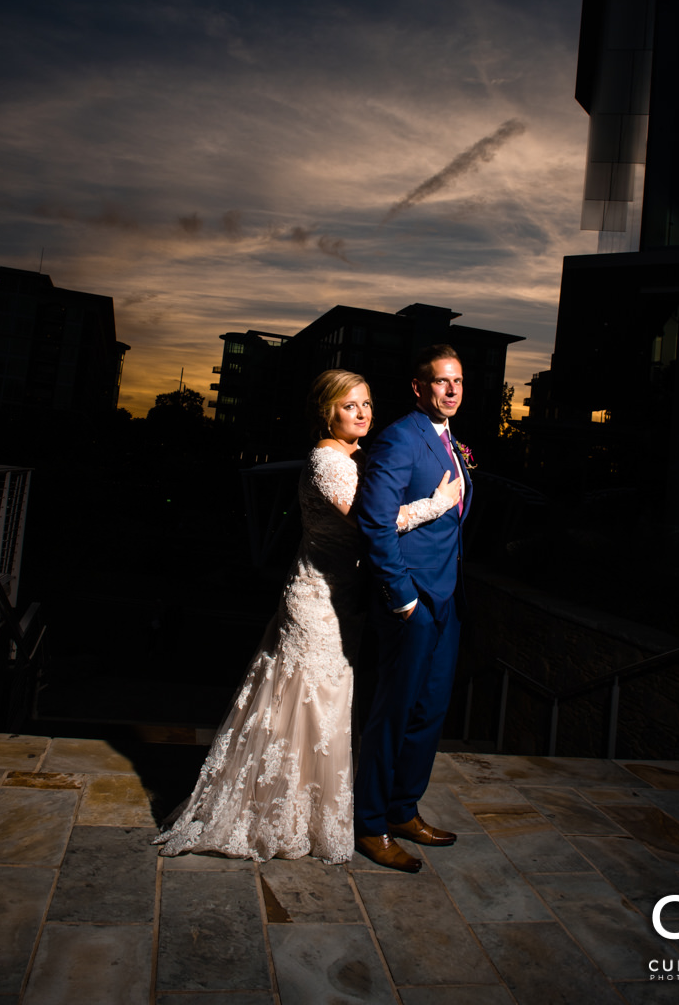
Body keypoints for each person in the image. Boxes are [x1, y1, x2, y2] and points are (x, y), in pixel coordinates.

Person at [153, 368, 460, 864]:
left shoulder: (361, 455)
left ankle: (329, 809)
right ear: (327, 412)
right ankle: (283, 813)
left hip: (348, 598)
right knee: (308, 701)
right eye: (348, 406)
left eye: (366, 404)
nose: (361, 413)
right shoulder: (326, 460)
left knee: (333, 705)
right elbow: (371, 525)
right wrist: (437, 503)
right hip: (316, 601)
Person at [353, 344, 472, 873]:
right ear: (419, 388)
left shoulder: (448, 442)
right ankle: (371, 824)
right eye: (442, 382)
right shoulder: (401, 437)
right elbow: (375, 522)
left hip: (448, 597)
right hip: (413, 600)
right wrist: (401, 597)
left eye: (459, 382)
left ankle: (404, 810)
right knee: (394, 713)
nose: (452, 390)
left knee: (429, 712)